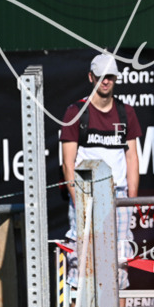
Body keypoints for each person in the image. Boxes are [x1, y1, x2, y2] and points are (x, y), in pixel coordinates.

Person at [60, 53, 141, 288]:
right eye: (100, 77)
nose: (105, 81)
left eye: (110, 77)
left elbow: (132, 156)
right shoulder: (75, 112)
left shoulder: (126, 112)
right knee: (81, 260)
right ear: (90, 77)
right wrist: (78, 201)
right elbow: (68, 163)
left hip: (119, 195)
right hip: (86, 195)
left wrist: (131, 200)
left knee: (120, 258)